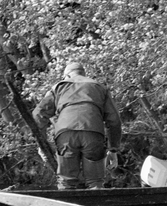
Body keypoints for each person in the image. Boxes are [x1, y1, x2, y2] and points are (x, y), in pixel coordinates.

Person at [32, 61, 122, 190]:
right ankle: (96, 205)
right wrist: (113, 149)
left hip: (65, 134)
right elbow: (114, 120)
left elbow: (38, 114)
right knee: (95, 181)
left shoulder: (58, 87)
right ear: (83, 74)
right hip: (93, 132)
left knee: (66, 181)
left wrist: (42, 142)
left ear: (67, 76)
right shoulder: (100, 87)